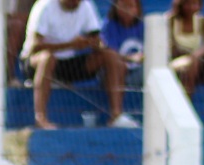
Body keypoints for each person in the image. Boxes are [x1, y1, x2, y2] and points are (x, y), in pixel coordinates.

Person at [20, 0, 138, 129]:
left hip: (70, 64)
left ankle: (116, 115)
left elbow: (97, 40)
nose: (76, 3)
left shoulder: (86, 5)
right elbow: (34, 47)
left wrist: (92, 44)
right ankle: (41, 118)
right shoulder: (44, 6)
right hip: (36, 62)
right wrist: (70, 45)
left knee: (110, 56)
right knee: (47, 58)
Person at [101, 0, 143, 87]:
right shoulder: (109, 25)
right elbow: (109, 53)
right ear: (115, 7)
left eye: (130, 6)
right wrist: (130, 58)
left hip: (138, 72)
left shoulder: (145, 27)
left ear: (137, 8)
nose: (127, 10)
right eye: (123, 6)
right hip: (117, 71)